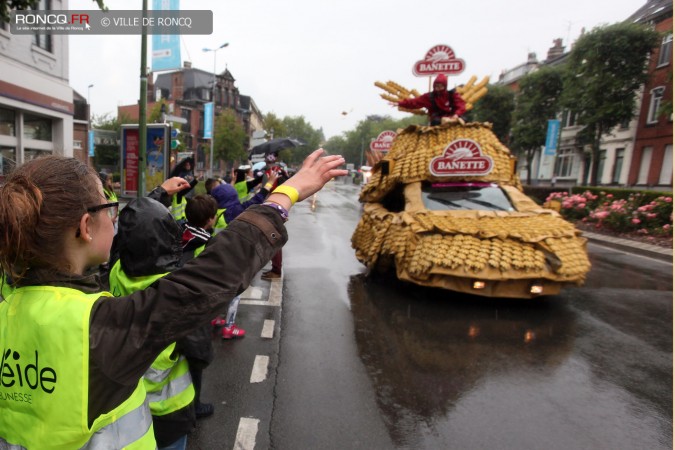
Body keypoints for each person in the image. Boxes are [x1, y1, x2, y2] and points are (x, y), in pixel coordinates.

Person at [0, 150, 346, 449]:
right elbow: (212, 275)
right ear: (87, 227)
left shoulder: (9, 309)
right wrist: (284, 195)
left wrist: (159, 193)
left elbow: (132, 240)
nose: (117, 219)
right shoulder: (102, 329)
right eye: (111, 208)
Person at [209, 170, 280, 339]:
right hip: (233, 262)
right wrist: (269, 183)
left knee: (218, 292)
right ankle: (229, 326)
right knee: (234, 295)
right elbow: (257, 199)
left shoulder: (216, 213)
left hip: (216, 260)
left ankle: (216, 318)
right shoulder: (235, 212)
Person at [395, 74, 467, 126]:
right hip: (438, 121)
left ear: (444, 86)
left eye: (440, 86)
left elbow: (461, 106)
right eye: (436, 86)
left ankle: (455, 123)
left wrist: (456, 115)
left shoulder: (452, 95)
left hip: (452, 118)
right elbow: (415, 102)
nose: (438, 88)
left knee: (464, 119)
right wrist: (400, 103)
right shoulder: (429, 97)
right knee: (435, 121)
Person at [262, 153, 289, 281]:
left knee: (273, 238)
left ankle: (276, 270)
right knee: (273, 237)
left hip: (271, 206)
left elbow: (264, 190)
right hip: (282, 205)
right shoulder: (283, 172)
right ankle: (275, 268)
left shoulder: (268, 173)